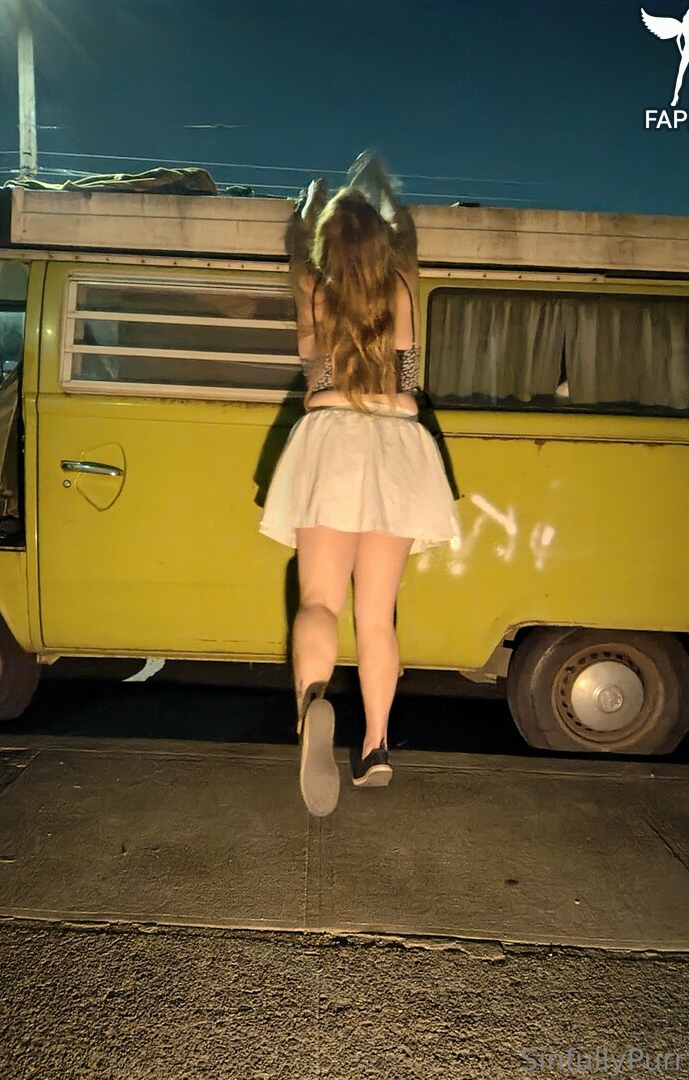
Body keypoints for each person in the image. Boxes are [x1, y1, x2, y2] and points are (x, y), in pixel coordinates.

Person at [259, 153, 459, 817]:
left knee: (319, 598)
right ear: (381, 244)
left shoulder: (313, 287)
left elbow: (313, 365)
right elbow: (408, 376)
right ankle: (376, 745)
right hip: (398, 442)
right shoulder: (400, 286)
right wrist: (380, 188)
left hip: (331, 436)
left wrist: (307, 214)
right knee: (377, 615)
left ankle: (312, 708)